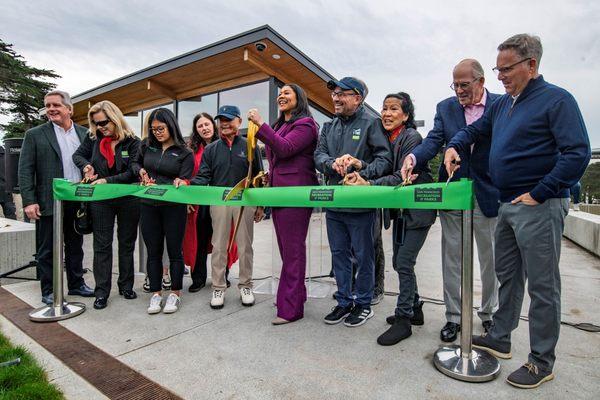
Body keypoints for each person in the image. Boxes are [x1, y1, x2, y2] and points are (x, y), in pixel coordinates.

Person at [445, 34, 591, 389]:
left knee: (543, 286)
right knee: (508, 276)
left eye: (506, 69)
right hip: (506, 203)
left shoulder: (557, 101)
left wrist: (541, 192)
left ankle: (541, 361)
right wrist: (454, 145)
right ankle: (501, 337)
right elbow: (475, 129)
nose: (500, 76)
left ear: (532, 65)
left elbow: (577, 153)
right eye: (497, 69)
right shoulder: (503, 104)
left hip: (539, 205)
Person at [401, 59, 501, 342]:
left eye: (464, 84)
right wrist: (413, 158)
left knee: (490, 258)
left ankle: (489, 313)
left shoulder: (501, 105)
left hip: (488, 192)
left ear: (481, 81)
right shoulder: (445, 108)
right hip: (453, 192)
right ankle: (454, 317)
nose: (458, 90)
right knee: (452, 258)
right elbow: (434, 141)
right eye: (454, 85)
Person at [346, 92, 436, 345]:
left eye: (394, 109)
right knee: (399, 261)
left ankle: (403, 318)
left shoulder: (412, 137)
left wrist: (369, 184)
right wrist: (360, 169)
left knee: (404, 262)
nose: (386, 113)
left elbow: (400, 177)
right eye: (384, 108)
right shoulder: (387, 139)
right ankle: (415, 308)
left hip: (418, 212)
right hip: (399, 212)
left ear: (406, 115)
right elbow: (382, 167)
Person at [314, 77, 392, 327]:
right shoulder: (329, 126)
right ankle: (344, 301)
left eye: (343, 94)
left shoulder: (371, 123)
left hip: (361, 206)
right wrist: (331, 164)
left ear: (358, 99)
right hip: (334, 205)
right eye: (335, 93)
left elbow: (385, 161)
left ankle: (364, 303)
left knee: (363, 255)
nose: (336, 98)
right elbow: (319, 155)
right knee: (339, 255)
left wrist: (361, 168)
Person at [247, 83, 319, 325]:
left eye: (287, 93)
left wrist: (260, 124)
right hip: (279, 192)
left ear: (299, 98)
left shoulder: (306, 125)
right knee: (288, 250)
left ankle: (291, 309)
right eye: (279, 93)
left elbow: (286, 149)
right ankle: (295, 296)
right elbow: (277, 156)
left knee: (292, 251)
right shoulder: (280, 126)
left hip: (295, 194)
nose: (281, 96)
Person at [18, 90, 94, 305]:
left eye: (56, 105)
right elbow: (25, 170)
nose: (51, 109)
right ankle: (49, 290)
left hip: (76, 200)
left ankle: (77, 284)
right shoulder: (35, 135)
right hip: (48, 201)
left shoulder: (84, 134)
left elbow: (90, 162)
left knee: (75, 245)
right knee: (47, 248)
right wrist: (29, 201)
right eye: (47, 106)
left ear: (69, 109)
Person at [191, 105, 264, 309]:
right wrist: (186, 185)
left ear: (239, 122)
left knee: (245, 246)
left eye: (229, 119)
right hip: (219, 202)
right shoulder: (211, 149)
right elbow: (203, 176)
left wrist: (261, 205)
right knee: (219, 246)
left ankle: (245, 285)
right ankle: (218, 287)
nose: (224, 123)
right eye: (221, 120)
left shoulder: (250, 145)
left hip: (245, 201)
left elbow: (259, 176)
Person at [72, 100, 141, 310]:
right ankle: (102, 291)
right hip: (101, 200)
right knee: (102, 246)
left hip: (128, 198)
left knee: (126, 244)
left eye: (104, 123)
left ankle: (126, 286)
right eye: (97, 123)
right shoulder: (92, 138)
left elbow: (133, 171)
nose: (101, 127)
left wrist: (107, 180)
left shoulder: (133, 141)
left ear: (115, 118)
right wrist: (87, 167)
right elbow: (78, 155)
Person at [133, 108, 194, 314]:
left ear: (171, 126)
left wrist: (182, 181)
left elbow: (186, 178)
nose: (157, 132)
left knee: (175, 252)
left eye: (161, 128)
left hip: (173, 209)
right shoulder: (146, 146)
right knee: (154, 252)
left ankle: (175, 293)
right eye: (153, 129)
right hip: (148, 206)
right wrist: (141, 171)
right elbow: (135, 163)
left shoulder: (185, 152)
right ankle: (156, 294)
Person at [183, 112, 237, 292]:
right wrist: (189, 197)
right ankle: (198, 279)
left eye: (207, 124)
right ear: (196, 130)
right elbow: (189, 176)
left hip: (221, 202)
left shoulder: (224, 146)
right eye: (200, 126)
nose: (204, 128)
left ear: (213, 126)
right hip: (199, 204)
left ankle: (222, 276)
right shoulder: (190, 151)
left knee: (221, 241)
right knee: (199, 240)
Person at [0, 144, 17, 219]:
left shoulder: (6, 154)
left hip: (5, 191)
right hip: (6, 190)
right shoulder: (5, 154)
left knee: (11, 219)